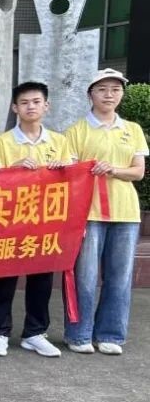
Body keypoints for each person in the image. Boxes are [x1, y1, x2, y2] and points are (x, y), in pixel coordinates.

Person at [0, 82, 73, 359]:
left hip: (46, 221)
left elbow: (73, 181)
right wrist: (14, 169)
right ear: (15, 108)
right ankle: (0, 331)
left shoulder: (59, 142)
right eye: (24, 102)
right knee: (5, 277)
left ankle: (35, 333)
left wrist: (62, 170)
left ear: (46, 106)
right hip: (11, 220)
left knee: (42, 278)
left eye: (36, 102)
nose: (30, 107)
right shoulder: (3, 142)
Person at [63, 68, 147, 356]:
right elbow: (71, 173)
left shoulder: (132, 130)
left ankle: (110, 334)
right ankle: (79, 334)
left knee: (120, 276)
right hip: (88, 212)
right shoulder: (76, 131)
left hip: (126, 212)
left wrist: (113, 170)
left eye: (115, 89)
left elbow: (138, 172)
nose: (109, 95)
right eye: (102, 89)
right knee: (84, 277)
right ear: (90, 95)